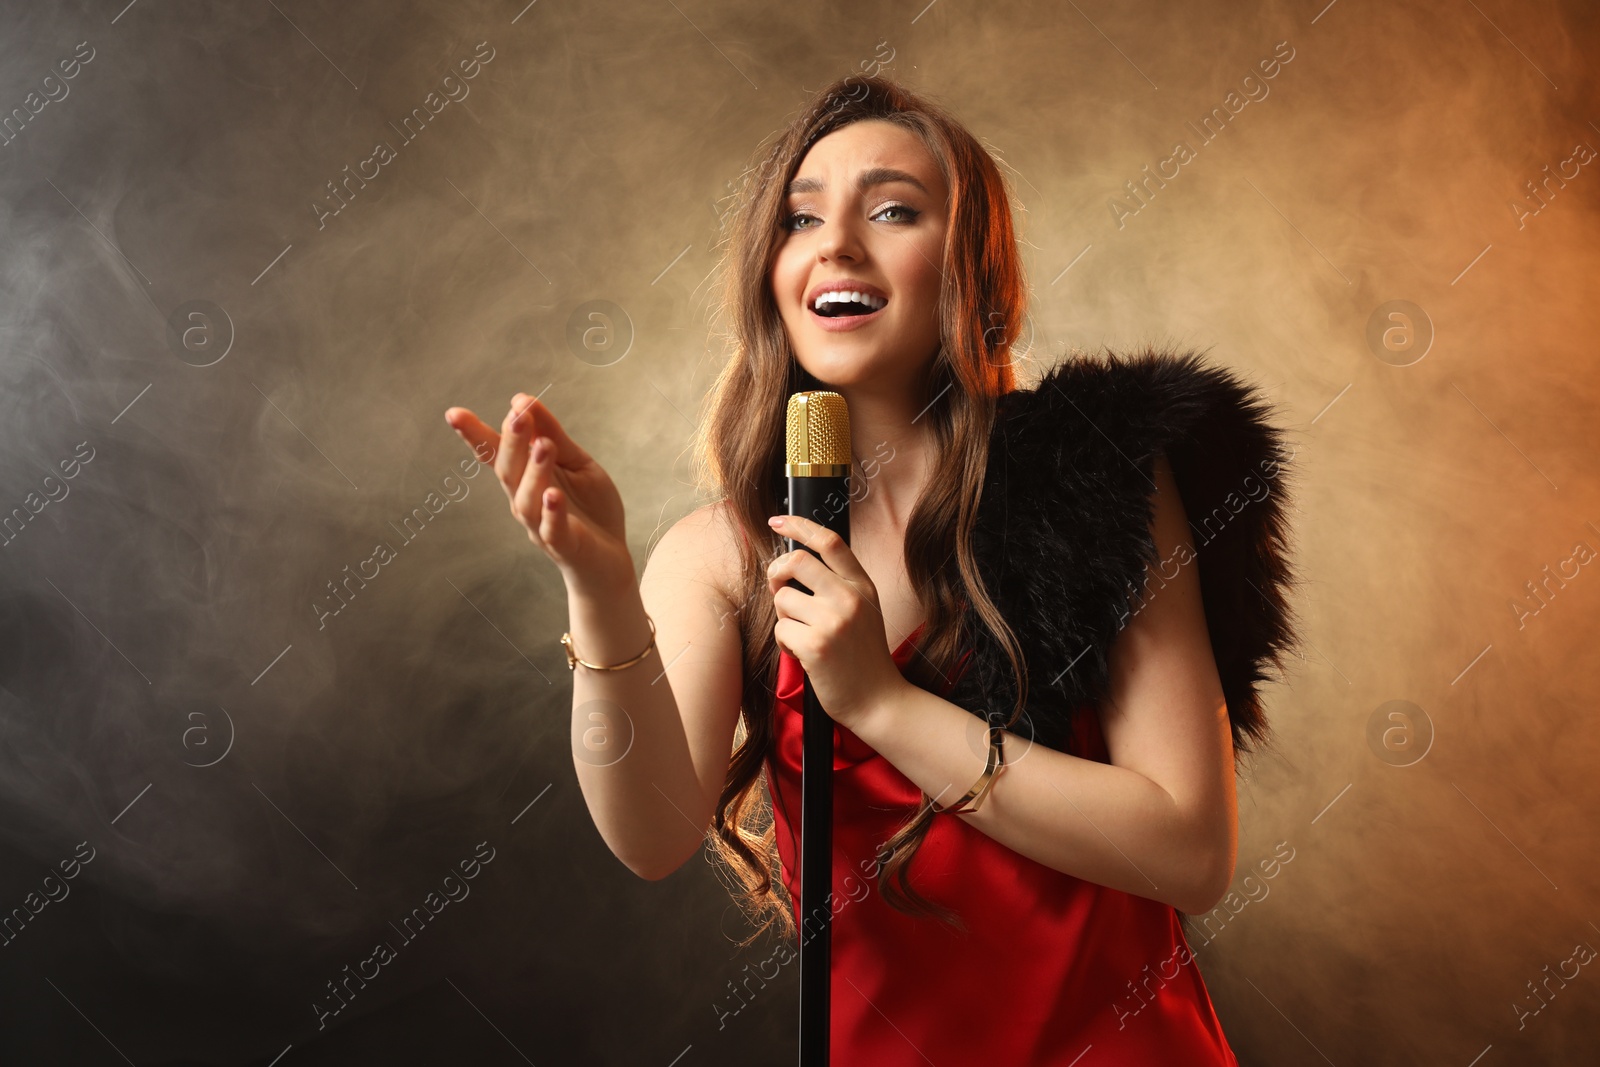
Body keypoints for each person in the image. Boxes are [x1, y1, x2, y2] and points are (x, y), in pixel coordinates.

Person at [444, 73, 1299, 1065]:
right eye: (800, 218)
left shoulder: (1100, 474)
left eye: (893, 208)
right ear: (772, 270)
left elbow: (1188, 848)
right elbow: (652, 835)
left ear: (971, 267)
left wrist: (880, 702)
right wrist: (594, 590)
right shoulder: (718, 554)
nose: (836, 241)